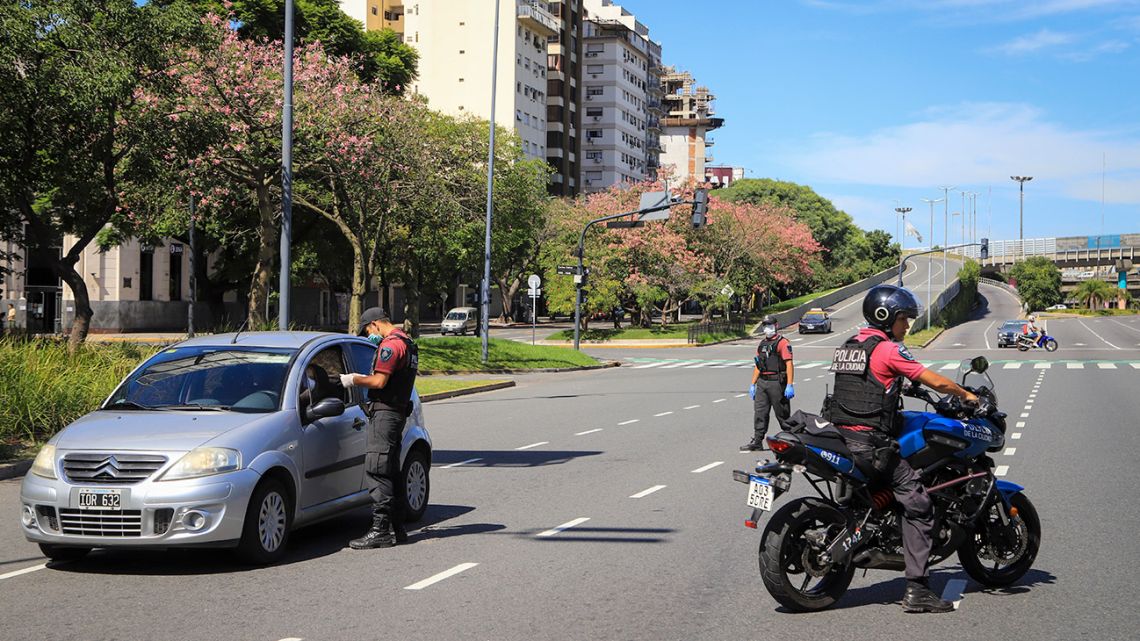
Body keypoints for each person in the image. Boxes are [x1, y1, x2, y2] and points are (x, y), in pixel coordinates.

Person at [825, 284, 978, 614]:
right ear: (886, 317)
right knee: (919, 502)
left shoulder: (850, 346)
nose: (907, 326)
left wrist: (904, 385)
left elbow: (871, 381)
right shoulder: (889, 349)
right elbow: (933, 380)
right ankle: (918, 591)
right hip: (870, 443)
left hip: (843, 437)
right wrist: (966, 395)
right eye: (903, 319)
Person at [338, 307, 419, 549]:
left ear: (375, 324)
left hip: (385, 413)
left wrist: (353, 379)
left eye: (367, 330)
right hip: (396, 412)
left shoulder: (391, 345)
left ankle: (380, 530)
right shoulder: (408, 342)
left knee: (377, 468)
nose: (368, 335)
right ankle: (397, 527)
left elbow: (379, 381)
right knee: (391, 469)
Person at [742, 314, 794, 451]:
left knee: (782, 414)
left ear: (776, 326)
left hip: (777, 382)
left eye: (770, 325)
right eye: (765, 326)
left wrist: (789, 384)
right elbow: (758, 365)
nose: (767, 328)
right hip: (763, 382)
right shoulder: (762, 344)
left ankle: (792, 440)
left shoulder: (782, 343)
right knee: (760, 413)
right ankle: (757, 441)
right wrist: (753, 384)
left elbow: (789, 364)